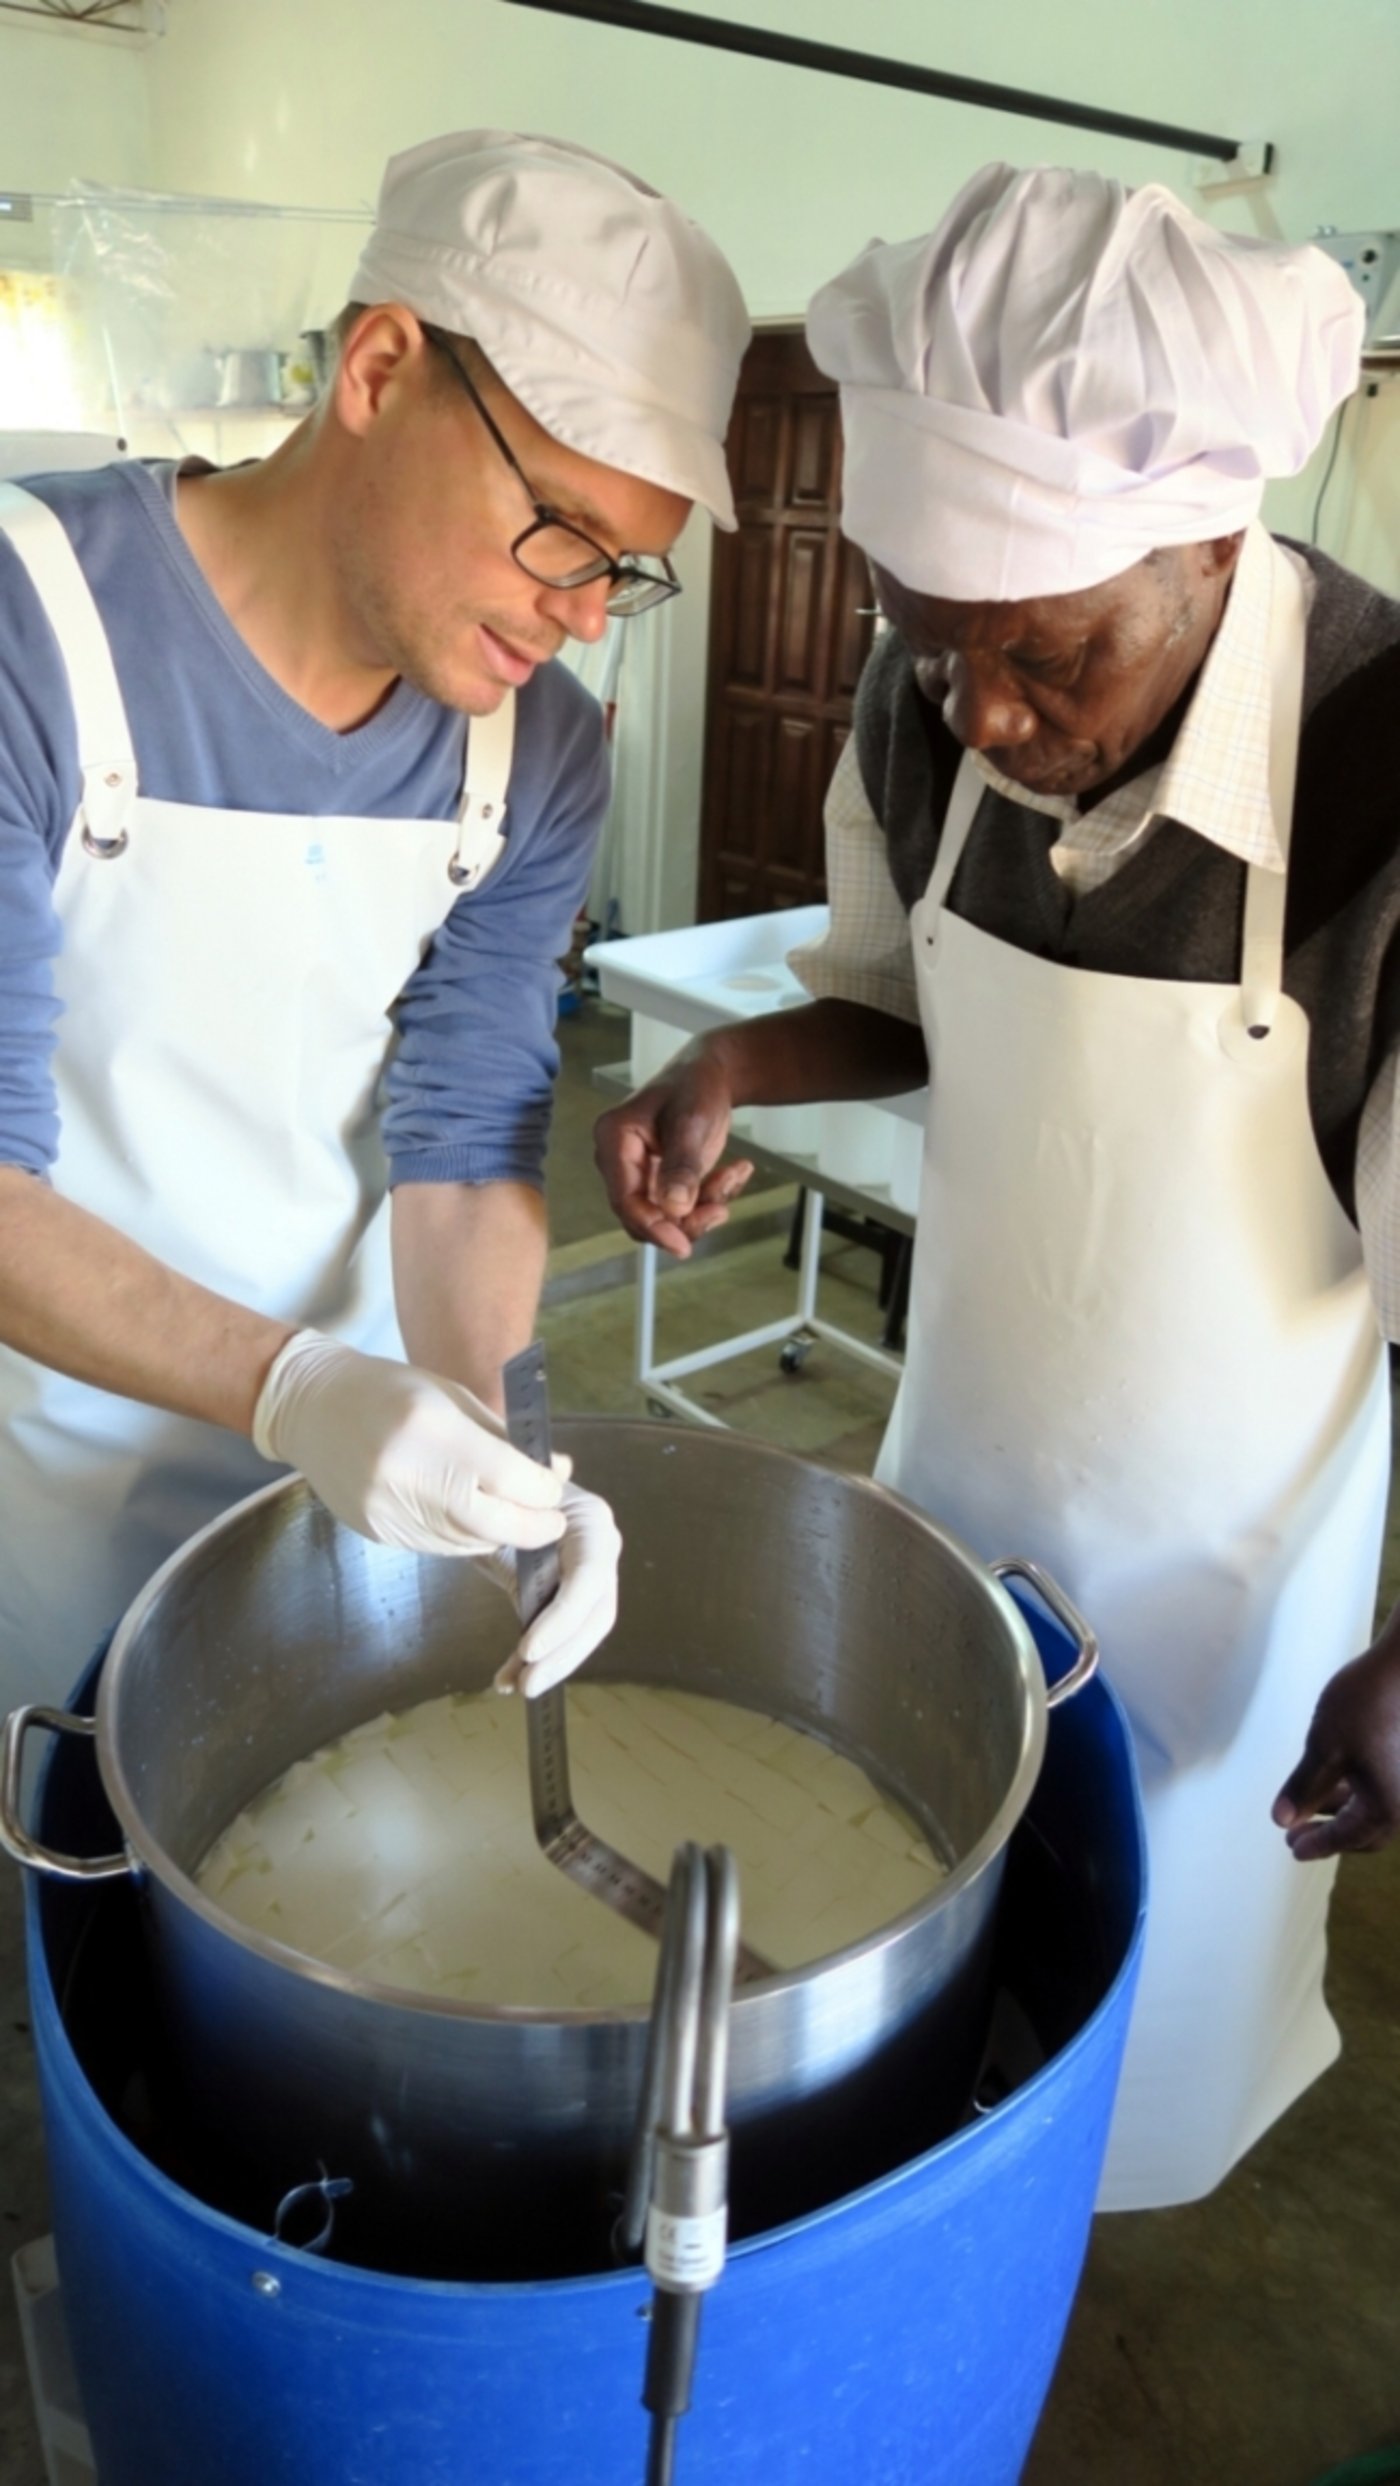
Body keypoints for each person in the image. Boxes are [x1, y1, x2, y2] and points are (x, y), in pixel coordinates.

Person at [594, 161, 1400, 2210]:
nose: (996, 721)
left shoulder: (1382, 766)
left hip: (1231, 1589)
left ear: (1209, 540)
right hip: (961, 1481)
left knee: (1142, 2029)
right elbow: (917, 998)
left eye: (1049, 658)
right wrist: (739, 1063)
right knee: (905, 1947)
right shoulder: (928, 699)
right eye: (941, 651)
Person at [0, 129, 749, 1713]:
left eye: (629, 568)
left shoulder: (532, 747)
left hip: (353, 1462)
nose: (584, 611)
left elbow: (467, 1135)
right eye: (558, 526)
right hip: (40, 1446)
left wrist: (490, 1429)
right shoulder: (35, 634)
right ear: (380, 367)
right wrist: (289, 1385)